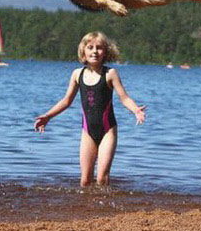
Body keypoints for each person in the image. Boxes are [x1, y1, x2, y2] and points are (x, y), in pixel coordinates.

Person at [34, 32, 146, 187]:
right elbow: (66, 101)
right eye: (90, 47)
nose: (94, 51)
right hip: (87, 131)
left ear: (105, 52)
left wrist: (136, 110)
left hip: (108, 130)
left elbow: (124, 97)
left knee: (101, 178)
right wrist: (48, 116)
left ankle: (106, 207)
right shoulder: (77, 74)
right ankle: (87, 209)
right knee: (85, 180)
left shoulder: (110, 74)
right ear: (83, 51)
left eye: (99, 48)